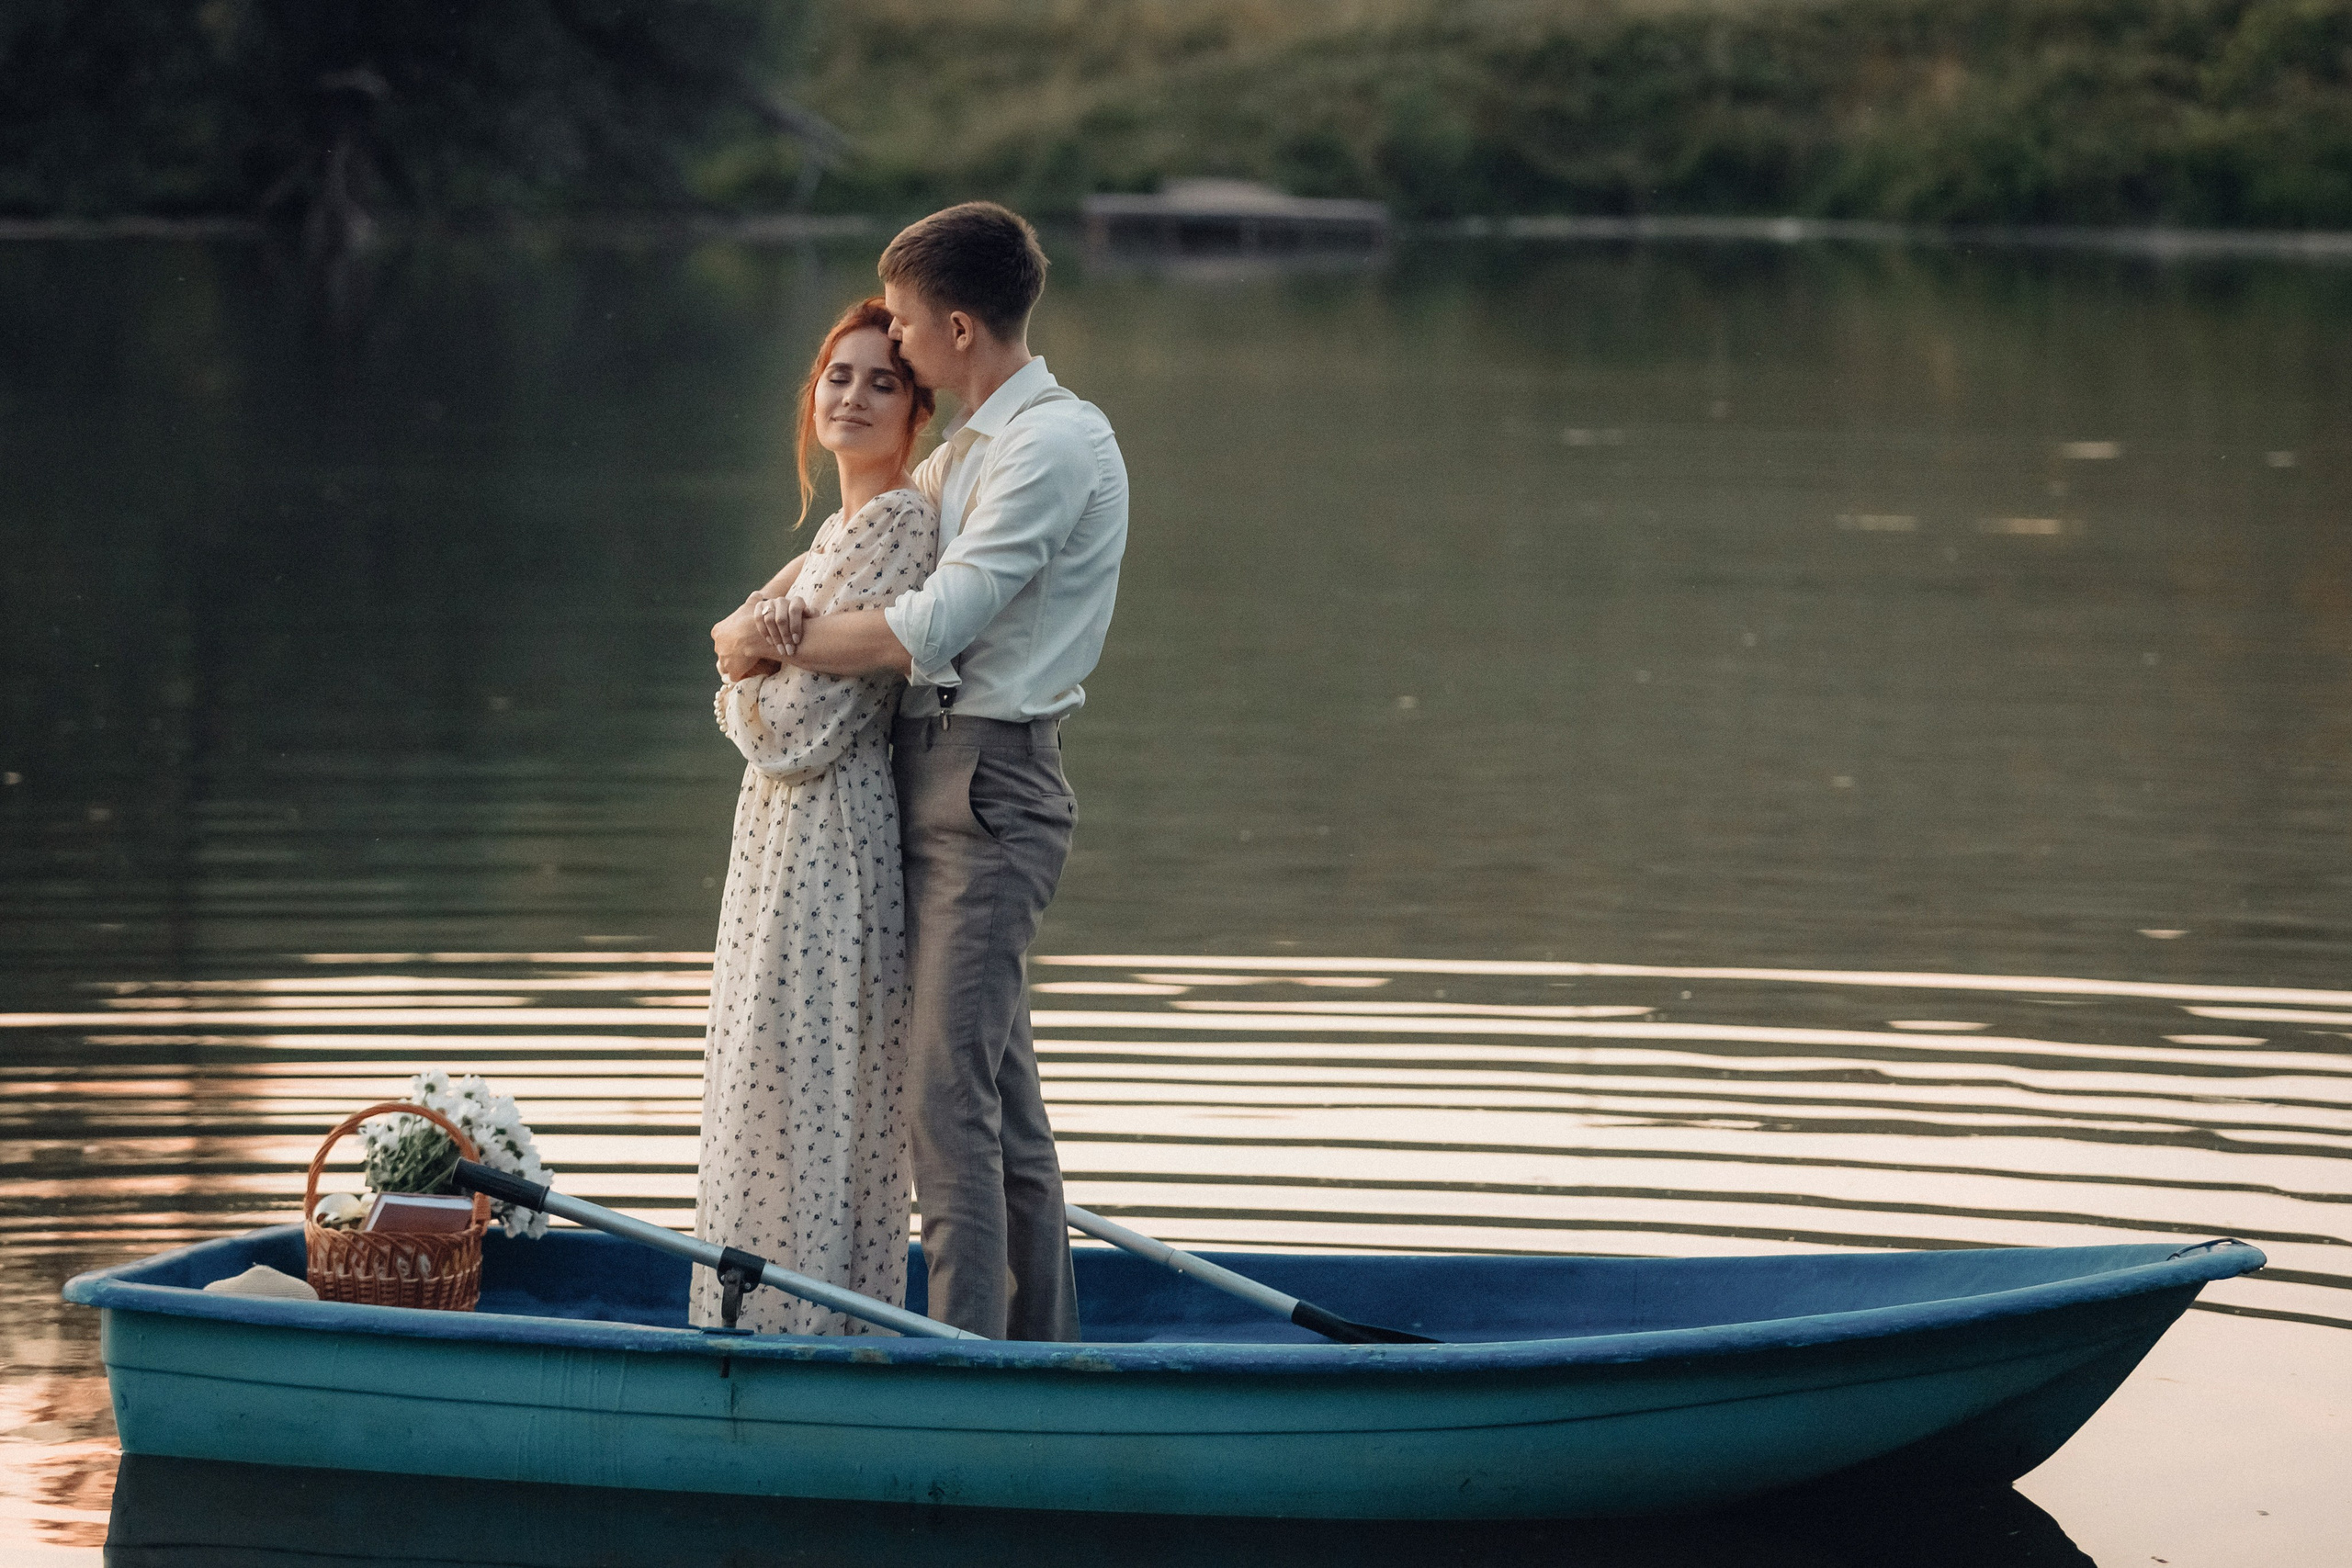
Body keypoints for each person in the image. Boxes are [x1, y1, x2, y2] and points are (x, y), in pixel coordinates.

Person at [720, 202, 1129, 1341]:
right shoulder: (964, 454)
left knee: (944, 1102)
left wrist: (765, 642)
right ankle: (1035, 1355)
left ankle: (966, 1363)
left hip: (990, 786)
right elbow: (835, 560)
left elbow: (923, 630)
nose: (891, 343)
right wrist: (753, 621)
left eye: (900, 324)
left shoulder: (1050, 446)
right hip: (924, 777)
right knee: (997, 1103)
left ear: (956, 327)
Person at [697, 299, 939, 1335]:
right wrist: (747, 649)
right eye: (839, 375)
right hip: (777, 839)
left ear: (917, 412)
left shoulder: (898, 525)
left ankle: (815, 1331)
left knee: (810, 1083)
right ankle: (756, 1320)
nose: (854, 396)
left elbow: (795, 725)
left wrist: (744, 668)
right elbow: (736, 649)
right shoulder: (834, 534)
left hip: (830, 834)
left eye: (884, 381)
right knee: (761, 1072)